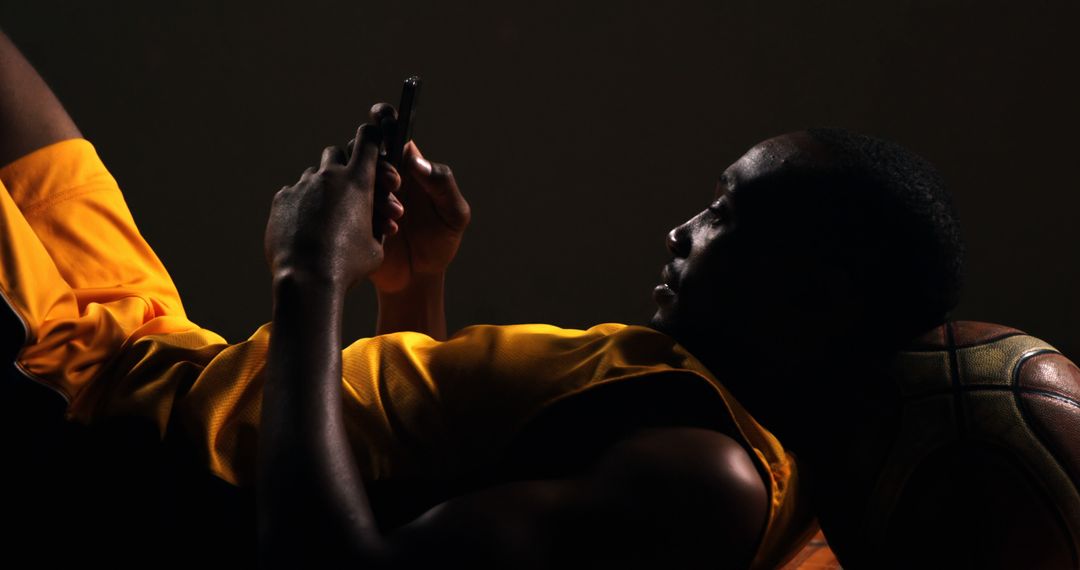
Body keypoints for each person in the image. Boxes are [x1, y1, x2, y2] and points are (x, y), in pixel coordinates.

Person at [0, 29, 963, 568]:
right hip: (161, 349)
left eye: (725, 215)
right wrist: (413, 283)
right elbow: (416, 467)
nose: (683, 230)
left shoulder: (711, 475)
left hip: (90, 410)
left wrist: (308, 272)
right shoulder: (694, 401)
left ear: (810, 296)